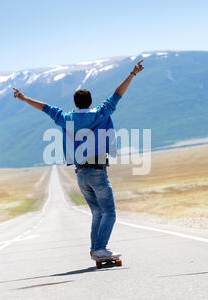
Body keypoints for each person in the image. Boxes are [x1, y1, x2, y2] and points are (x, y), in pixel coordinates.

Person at [12, 59, 145, 259]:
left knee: (97, 213)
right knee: (109, 212)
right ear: (90, 102)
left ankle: (96, 249)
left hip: (81, 174)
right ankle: (100, 248)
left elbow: (46, 108)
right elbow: (117, 94)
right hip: (98, 172)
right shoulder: (100, 113)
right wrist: (132, 74)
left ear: (76, 103)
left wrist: (24, 98)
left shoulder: (65, 118)